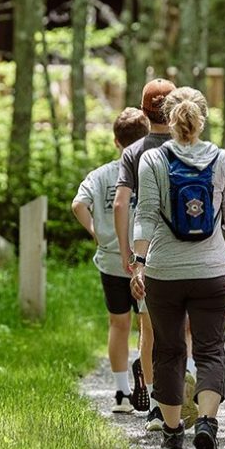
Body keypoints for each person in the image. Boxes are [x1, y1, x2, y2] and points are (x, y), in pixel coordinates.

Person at [130, 86, 225, 449]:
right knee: (211, 350)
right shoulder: (224, 159)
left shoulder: (152, 160)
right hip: (213, 270)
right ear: (202, 117)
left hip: (164, 271)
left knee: (168, 350)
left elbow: (145, 215)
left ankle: (172, 434)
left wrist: (138, 263)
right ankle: (208, 425)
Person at [114, 78, 199, 432]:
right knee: (189, 327)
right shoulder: (194, 143)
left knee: (150, 330)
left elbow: (121, 203)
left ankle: (155, 404)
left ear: (144, 108)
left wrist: (127, 254)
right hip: (195, 250)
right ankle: (189, 381)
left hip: (151, 251)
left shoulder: (135, 152)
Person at [72, 108, 152, 413]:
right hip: (145, 261)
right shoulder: (149, 170)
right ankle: (154, 393)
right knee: (148, 326)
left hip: (110, 260)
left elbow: (78, 203)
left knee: (118, 324)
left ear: (116, 141)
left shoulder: (103, 173)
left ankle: (121, 395)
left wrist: (95, 230)